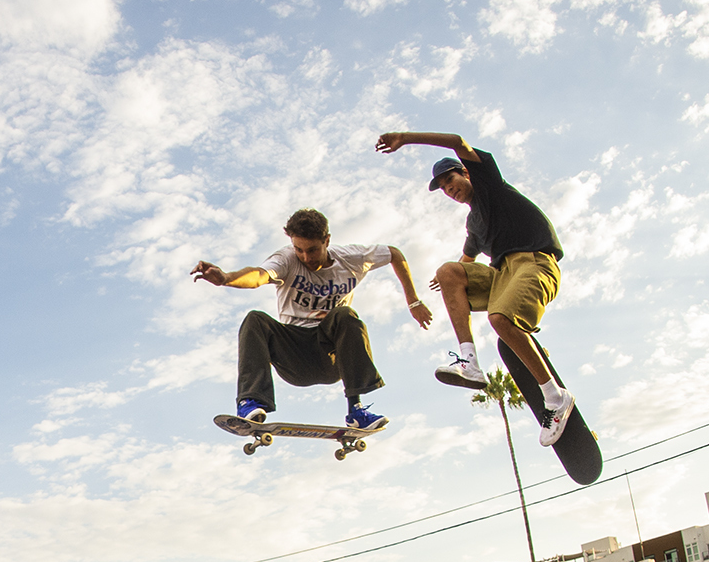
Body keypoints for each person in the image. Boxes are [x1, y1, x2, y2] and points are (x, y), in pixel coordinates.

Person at [374, 130, 574, 444]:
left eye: (450, 180)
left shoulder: (489, 186)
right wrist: (437, 287)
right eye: (443, 188)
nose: (448, 189)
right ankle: (470, 363)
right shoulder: (474, 224)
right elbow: (465, 262)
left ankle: (555, 396)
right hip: (501, 275)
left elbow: (457, 142)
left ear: (466, 173)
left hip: (533, 262)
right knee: (447, 272)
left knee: (499, 319)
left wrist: (405, 138)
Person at [190, 208, 431, 431]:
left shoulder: (351, 258)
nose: (305, 257)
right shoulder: (286, 259)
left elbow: (395, 254)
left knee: (345, 315)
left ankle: (356, 410)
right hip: (293, 355)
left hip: (332, 356)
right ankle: (250, 403)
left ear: (327, 240)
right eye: (299, 249)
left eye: (313, 249)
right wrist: (226, 278)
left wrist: (414, 301)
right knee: (255, 320)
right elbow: (259, 275)